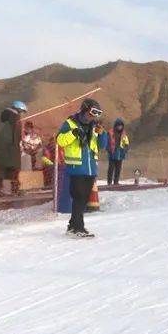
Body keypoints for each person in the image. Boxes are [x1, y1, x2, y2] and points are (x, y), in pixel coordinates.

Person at [56, 98, 108, 237]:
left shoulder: (94, 126)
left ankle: (72, 226)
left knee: (84, 198)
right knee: (79, 197)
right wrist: (73, 134)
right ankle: (79, 228)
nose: (93, 116)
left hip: (90, 168)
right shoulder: (70, 123)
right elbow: (60, 140)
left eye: (97, 114)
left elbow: (102, 146)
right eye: (92, 113)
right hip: (76, 167)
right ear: (84, 110)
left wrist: (102, 133)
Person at [0, 101, 26, 196]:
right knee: (15, 170)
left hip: (2, 150)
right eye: (21, 111)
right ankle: (15, 190)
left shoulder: (4, 118)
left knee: (2, 170)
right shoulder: (15, 119)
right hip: (11, 150)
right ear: (18, 109)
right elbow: (14, 136)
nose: (21, 114)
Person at [106, 117, 130, 186]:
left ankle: (116, 182)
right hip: (112, 153)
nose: (120, 127)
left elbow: (126, 143)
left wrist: (125, 150)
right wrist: (109, 150)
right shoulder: (110, 133)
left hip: (120, 153)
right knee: (111, 168)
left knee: (118, 169)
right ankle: (109, 182)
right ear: (115, 125)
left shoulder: (124, 134)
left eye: (121, 125)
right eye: (118, 125)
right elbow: (107, 142)